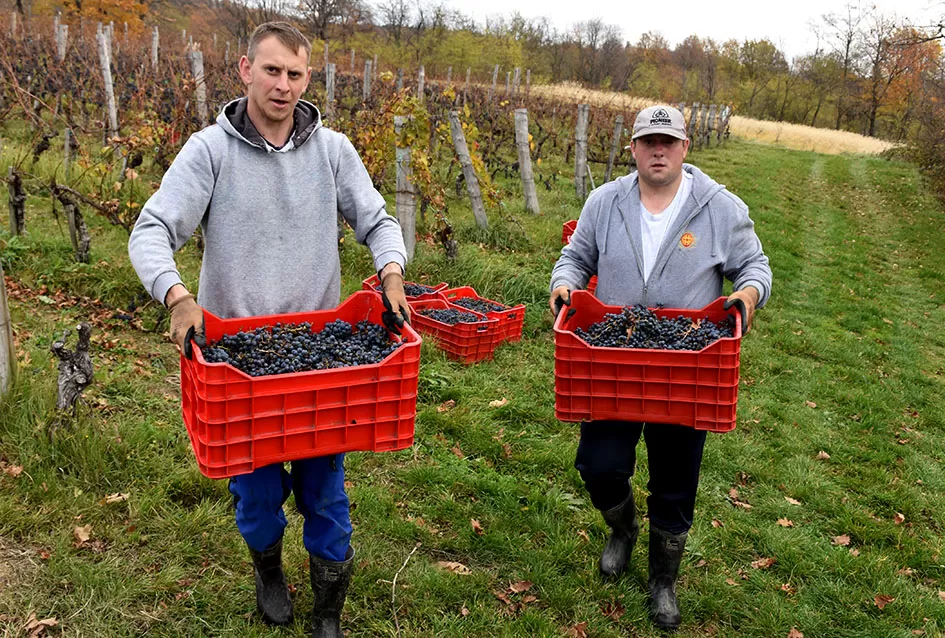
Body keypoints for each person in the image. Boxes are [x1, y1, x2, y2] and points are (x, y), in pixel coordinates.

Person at [128, 22, 410, 637]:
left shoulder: (333, 151)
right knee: (255, 497)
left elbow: (378, 220)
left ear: (308, 79)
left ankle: (328, 612)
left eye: (295, 73)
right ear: (245, 69)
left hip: (318, 359)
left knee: (325, 492)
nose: (283, 85)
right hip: (239, 364)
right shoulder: (210, 151)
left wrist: (391, 271)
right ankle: (268, 570)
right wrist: (177, 295)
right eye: (272, 70)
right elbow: (152, 230)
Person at [549, 105, 771, 631]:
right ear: (633, 148)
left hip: (686, 366)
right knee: (599, 465)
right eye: (648, 141)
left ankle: (663, 580)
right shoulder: (606, 202)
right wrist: (564, 284)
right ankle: (622, 528)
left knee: (675, 479)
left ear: (684, 147)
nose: (658, 150)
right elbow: (575, 258)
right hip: (613, 361)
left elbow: (754, 266)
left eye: (668, 141)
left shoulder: (719, 207)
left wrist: (746, 296)